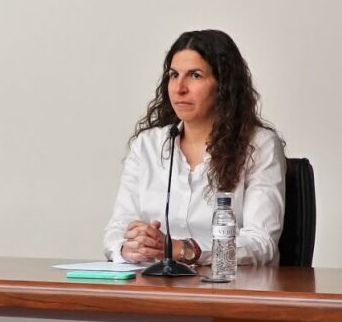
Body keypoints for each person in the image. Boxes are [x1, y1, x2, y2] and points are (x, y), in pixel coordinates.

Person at [104, 30, 286, 266]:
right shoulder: (147, 145)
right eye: (173, 75)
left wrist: (184, 250)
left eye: (195, 75)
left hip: (230, 284)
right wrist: (129, 248)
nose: (179, 88)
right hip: (156, 284)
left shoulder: (259, 145)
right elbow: (118, 228)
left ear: (224, 85)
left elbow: (260, 242)